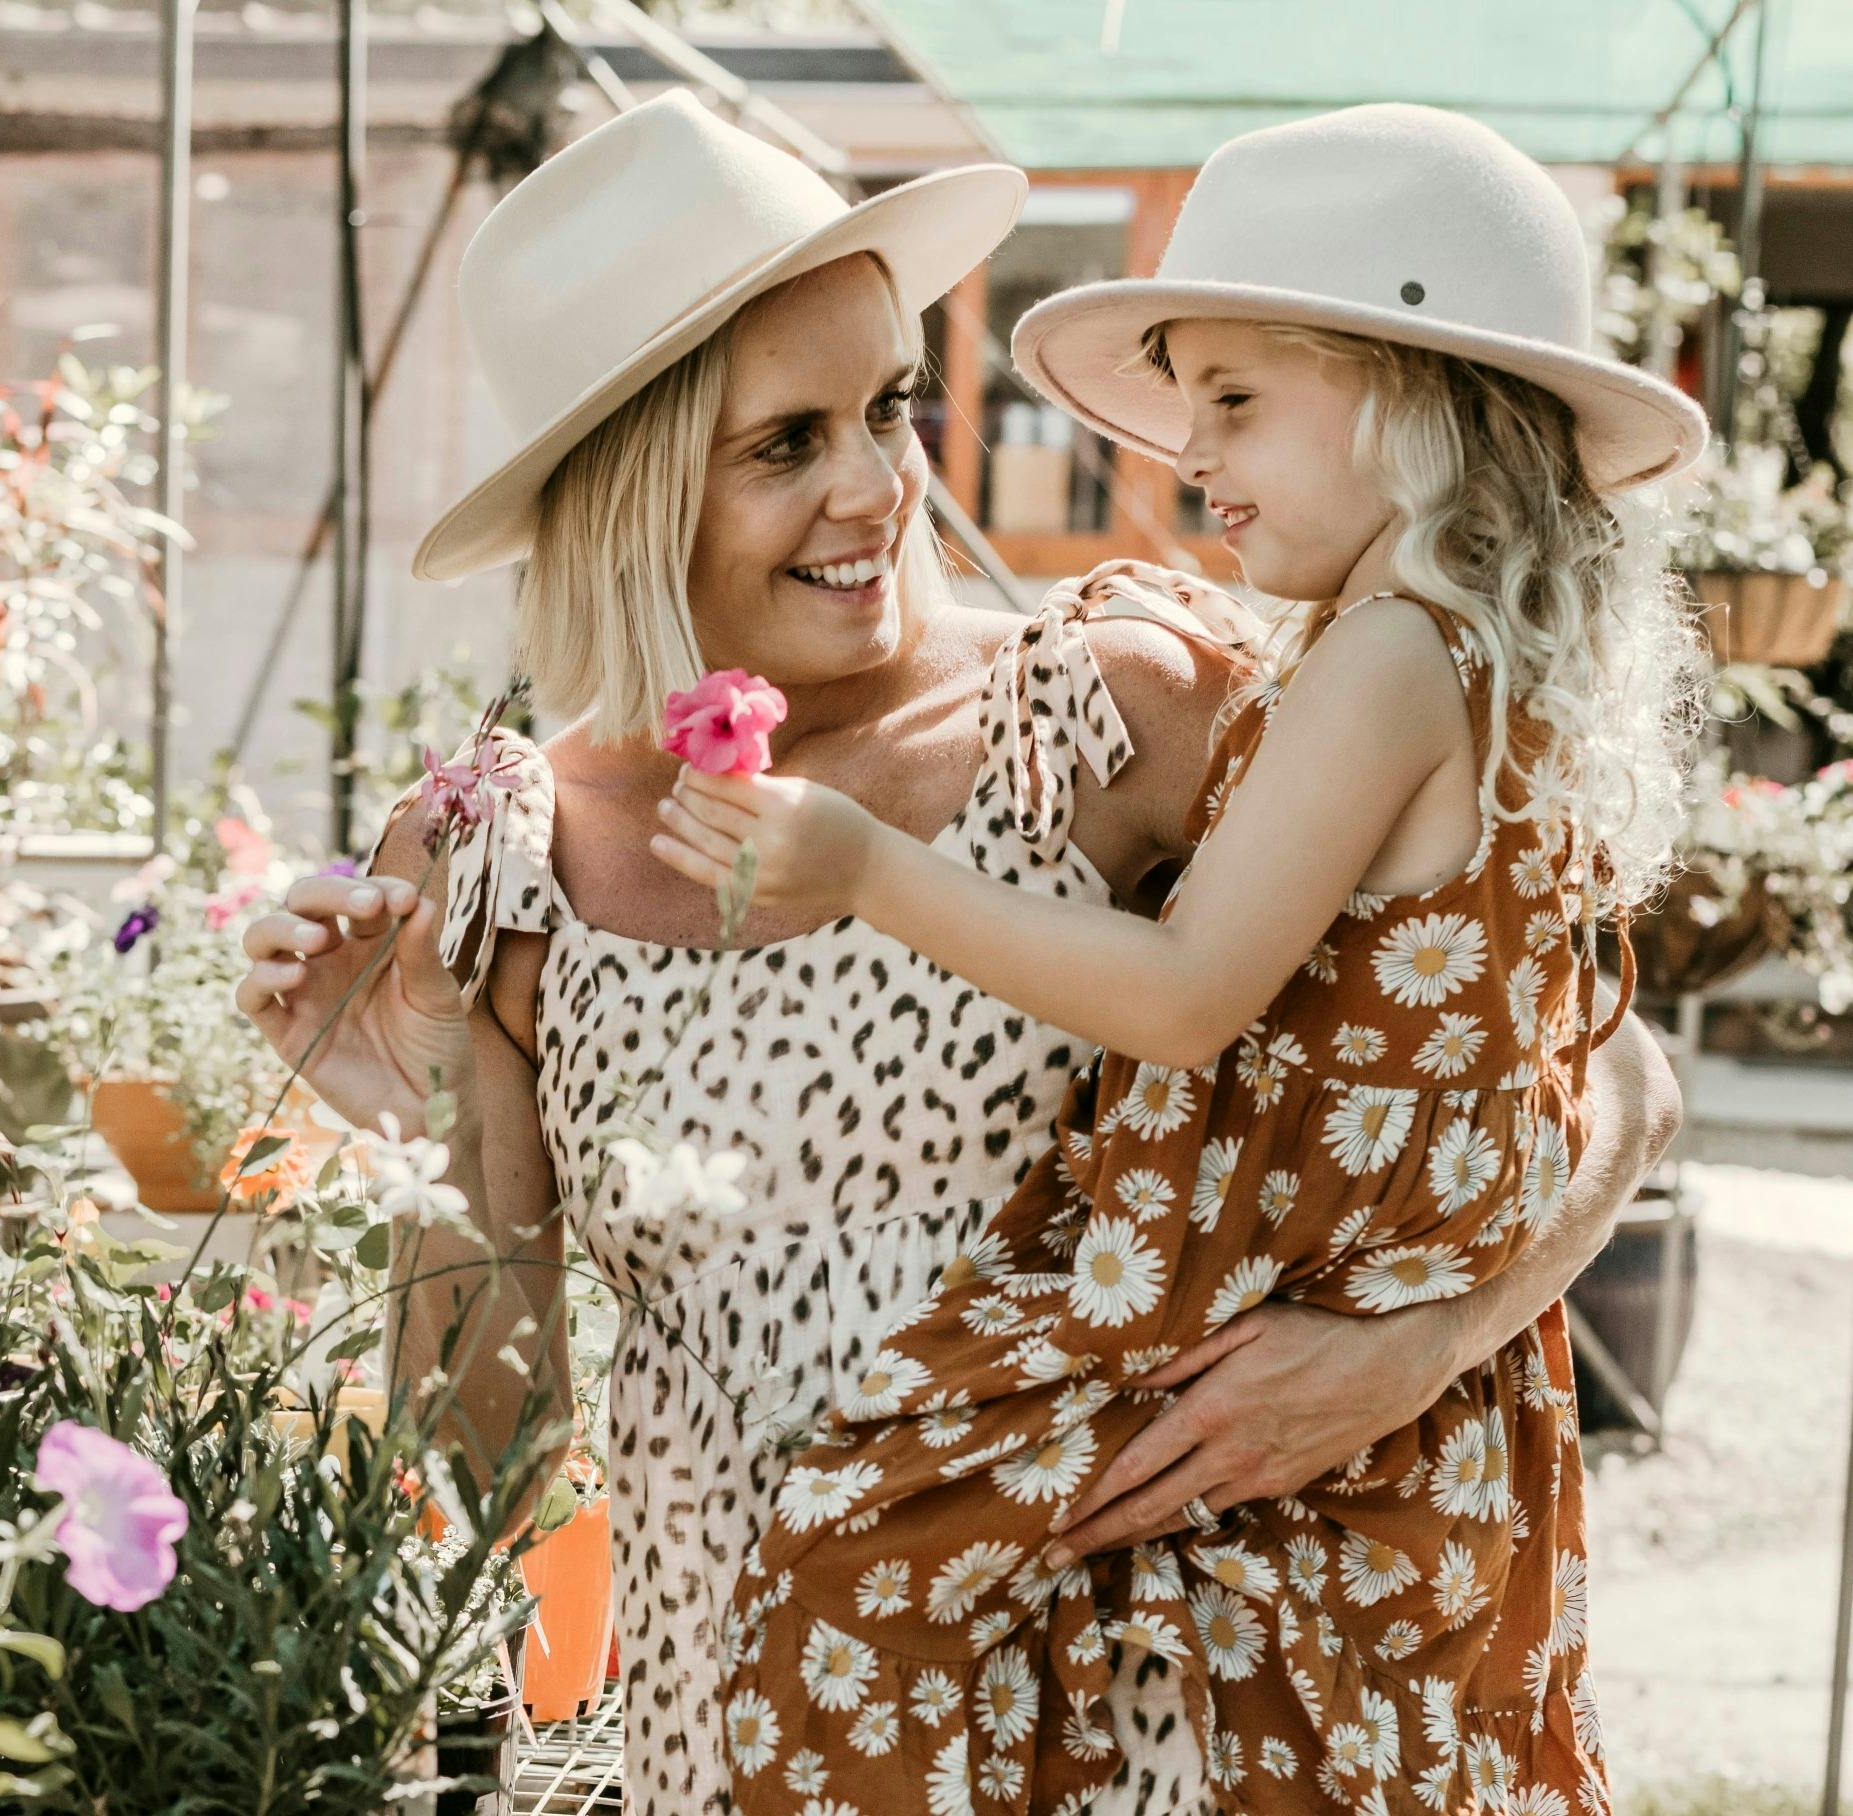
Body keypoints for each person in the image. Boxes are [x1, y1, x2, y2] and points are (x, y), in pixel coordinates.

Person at [233, 94, 1679, 1815]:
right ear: (620, 491)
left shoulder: (1112, 710)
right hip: (756, 1706)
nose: (877, 486)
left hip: (1147, 1706)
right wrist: (427, 1110)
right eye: (784, 443)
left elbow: (1590, 1071)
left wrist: (1426, 1339)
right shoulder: (490, 860)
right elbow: (478, 1463)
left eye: (889, 404)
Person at [656, 105, 1708, 1813]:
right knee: (1297, 1743)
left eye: (1235, 400)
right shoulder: (1472, 661)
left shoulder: (1383, 656)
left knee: (850, 1558)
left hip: (1208, 1309)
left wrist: (863, 868)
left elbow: (1185, 995)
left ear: (1414, 396)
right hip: (1373, 1347)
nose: (1189, 456)